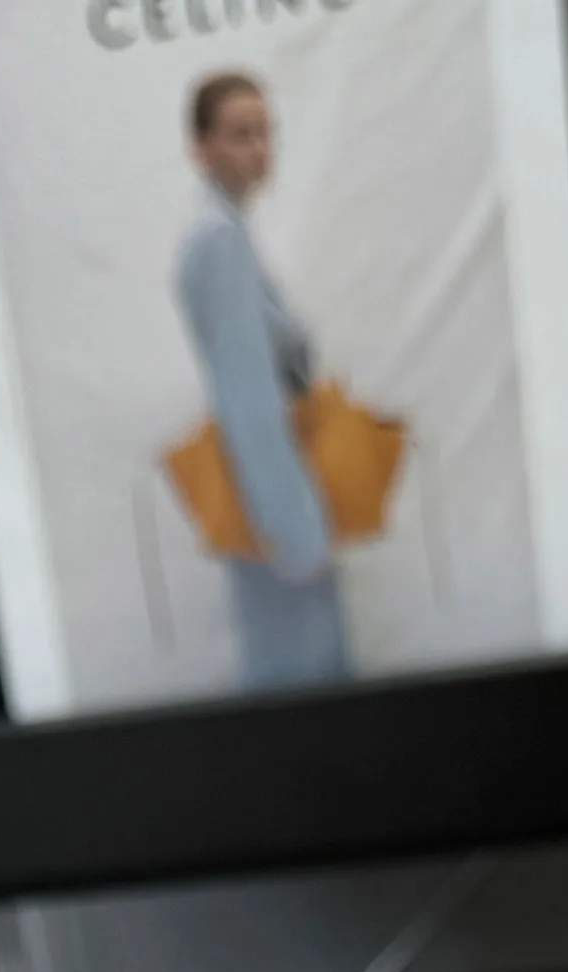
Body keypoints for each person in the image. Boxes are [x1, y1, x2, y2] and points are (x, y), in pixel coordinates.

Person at [175, 72, 350, 690]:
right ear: (201, 148)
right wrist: (297, 534)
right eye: (239, 135)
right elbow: (247, 398)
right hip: (274, 510)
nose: (259, 149)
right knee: (301, 683)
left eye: (265, 132)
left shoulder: (229, 232)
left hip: (274, 497)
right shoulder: (218, 242)